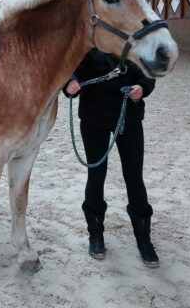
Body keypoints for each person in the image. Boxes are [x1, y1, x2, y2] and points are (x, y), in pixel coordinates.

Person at [64, 48, 160, 267]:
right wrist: (70, 83)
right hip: (93, 118)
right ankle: (96, 234)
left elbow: (148, 73)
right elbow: (72, 69)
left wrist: (142, 88)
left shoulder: (137, 44)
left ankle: (143, 239)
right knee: (96, 175)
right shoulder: (90, 45)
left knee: (134, 176)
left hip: (129, 118)